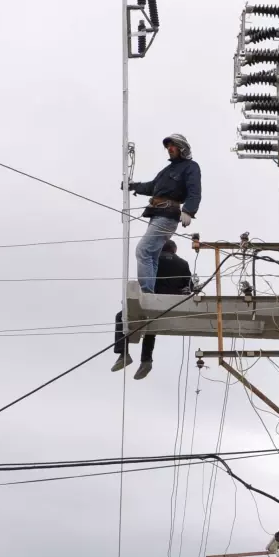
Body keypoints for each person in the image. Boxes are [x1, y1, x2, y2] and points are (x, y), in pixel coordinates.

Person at [127, 134, 201, 293]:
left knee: (143, 250)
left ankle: (147, 293)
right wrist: (134, 186)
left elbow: (195, 191)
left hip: (168, 215)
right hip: (157, 214)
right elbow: (152, 187)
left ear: (182, 148)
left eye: (172, 146)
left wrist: (188, 210)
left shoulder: (190, 167)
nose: (169, 149)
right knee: (152, 255)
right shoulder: (167, 171)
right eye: (168, 147)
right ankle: (149, 292)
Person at [112, 239, 191, 380]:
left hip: (152, 298)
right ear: (174, 250)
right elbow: (188, 286)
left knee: (121, 316)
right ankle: (146, 360)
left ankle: (123, 353)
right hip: (171, 304)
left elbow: (144, 277)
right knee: (151, 327)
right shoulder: (183, 264)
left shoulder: (153, 260)